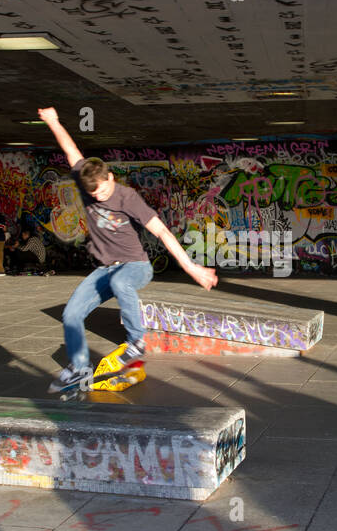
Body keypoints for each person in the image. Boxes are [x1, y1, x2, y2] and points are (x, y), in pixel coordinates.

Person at [38, 106, 217, 391]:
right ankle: (80, 368)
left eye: (104, 192)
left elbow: (160, 231)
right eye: (94, 195)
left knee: (122, 281)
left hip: (136, 266)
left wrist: (191, 268)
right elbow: (71, 150)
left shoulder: (127, 197)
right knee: (71, 313)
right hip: (104, 270)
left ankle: (136, 341)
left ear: (111, 178)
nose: (100, 198)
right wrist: (54, 121)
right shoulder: (87, 182)